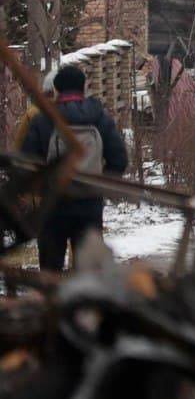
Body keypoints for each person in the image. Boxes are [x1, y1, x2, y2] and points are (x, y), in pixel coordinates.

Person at [21, 65, 128, 271]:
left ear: (57, 89)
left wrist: (41, 189)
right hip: (89, 206)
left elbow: (27, 162)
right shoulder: (99, 118)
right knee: (87, 274)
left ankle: (51, 301)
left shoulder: (44, 119)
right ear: (83, 87)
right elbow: (119, 159)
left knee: (50, 272)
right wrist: (100, 185)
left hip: (53, 207)